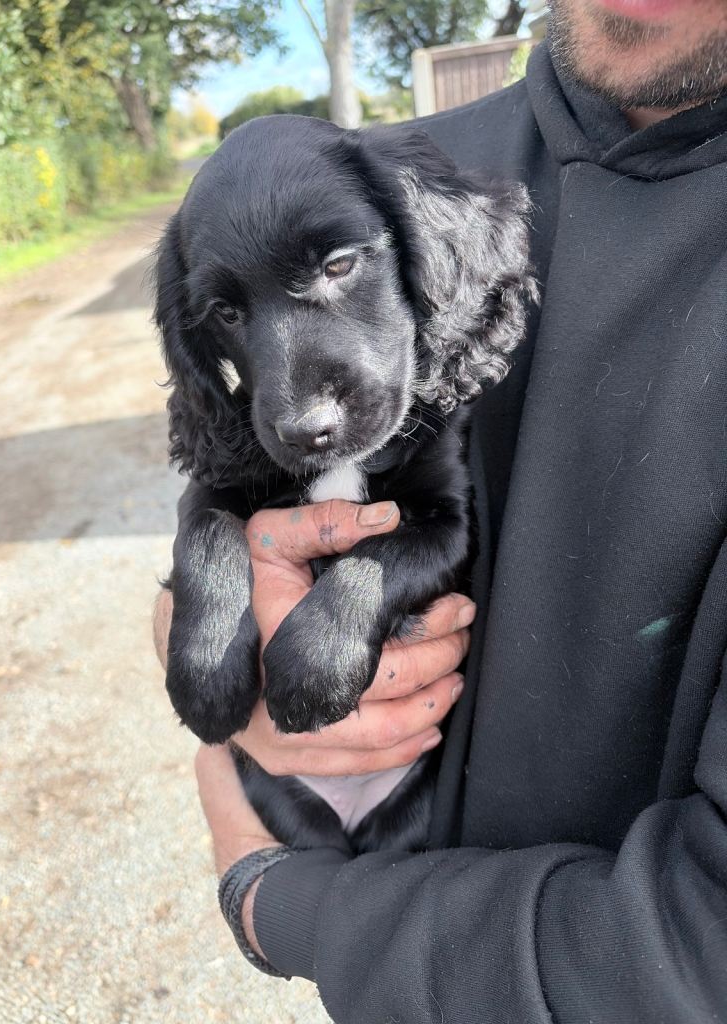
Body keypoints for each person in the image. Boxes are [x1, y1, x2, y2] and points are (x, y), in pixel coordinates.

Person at [153, 1, 727, 1019]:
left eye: (336, 269)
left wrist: (281, 904)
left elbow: (700, 954)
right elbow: (229, 486)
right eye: (235, 314)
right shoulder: (394, 169)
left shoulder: (405, 199)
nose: (303, 405)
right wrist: (199, 618)